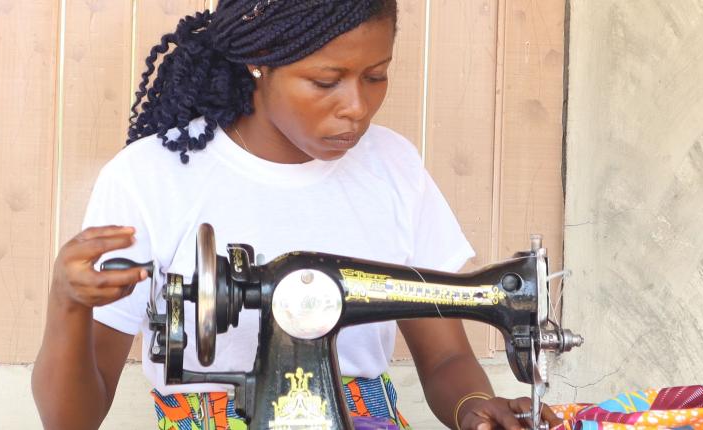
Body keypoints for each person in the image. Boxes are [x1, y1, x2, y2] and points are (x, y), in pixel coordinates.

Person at [31, 1, 557, 428]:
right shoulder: (151, 177)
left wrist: (473, 409)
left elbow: (446, 360)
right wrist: (67, 305)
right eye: (326, 81)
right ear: (259, 60)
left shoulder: (392, 166)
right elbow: (70, 420)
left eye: (376, 76)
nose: (356, 106)